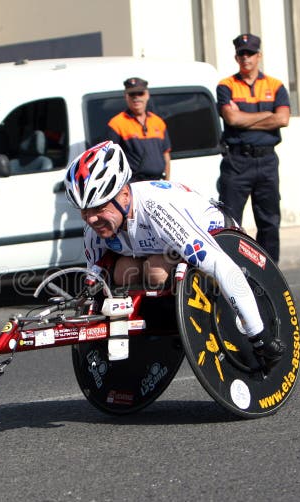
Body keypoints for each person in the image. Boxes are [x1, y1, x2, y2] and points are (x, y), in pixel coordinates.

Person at [64, 140, 284, 364]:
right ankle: (159, 322)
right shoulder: (95, 225)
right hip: (162, 250)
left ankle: (175, 318)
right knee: (122, 271)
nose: (91, 219)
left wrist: (259, 335)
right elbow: (94, 277)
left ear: (124, 195)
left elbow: (222, 265)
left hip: (219, 240)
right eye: (84, 211)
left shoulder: (157, 210)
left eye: (99, 208)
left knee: (155, 272)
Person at [216, 33, 290, 262]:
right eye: (241, 54)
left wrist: (245, 117)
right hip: (237, 162)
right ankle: (230, 269)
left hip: (266, 161)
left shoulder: (275, 86)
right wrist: (268, 115)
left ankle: (269, 272)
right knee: (229, 222)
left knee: (268, 221)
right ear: (236, 57)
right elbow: (232, 119)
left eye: (250, 53)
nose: (245, 58)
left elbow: (283, 119)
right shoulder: (226, 85)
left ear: (259, 56)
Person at [106, 77, 171, 182]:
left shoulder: (158, 122)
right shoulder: (116, 124)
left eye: (140, 93)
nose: (136, 97)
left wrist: (167, 182)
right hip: (133, 184)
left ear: (147, 95)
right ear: (126, 97)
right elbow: (110, 160)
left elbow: (166, 156)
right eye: (132, 94)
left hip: (158, 182)